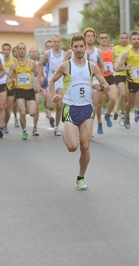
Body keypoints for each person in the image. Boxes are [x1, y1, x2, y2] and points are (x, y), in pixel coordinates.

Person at [49, 34, 110, 190]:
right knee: (72, 147)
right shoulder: (66, 66)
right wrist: (54, 95)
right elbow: (51, 81)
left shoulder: (92, 66)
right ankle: (67, 135)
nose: (78, 49)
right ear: (71, 48)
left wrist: (100, 87)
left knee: (85, 147)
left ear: (85, 47)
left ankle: (81, 178)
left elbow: (106, 86)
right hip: (70, 108)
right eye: (75, 46)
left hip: (87, 109)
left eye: (81, 46)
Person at [115, 31, 139, 134]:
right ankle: (126, 114)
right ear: (131, 41)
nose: (136, 41)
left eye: (138, 39)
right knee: (131, 103)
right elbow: (117, 68)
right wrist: (125, 67)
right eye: (134, 39)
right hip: (131, 81)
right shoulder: (127, 53)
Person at [6, 43, 41, 140]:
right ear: (17, 51)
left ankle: (26, 111)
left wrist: (37, 84)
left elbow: (39, 74)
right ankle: (24, 131)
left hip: (29, 90)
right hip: (19, 90)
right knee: (22, 112)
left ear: (25, 50)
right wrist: (9, 80)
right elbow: (10, 77)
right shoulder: (14, 64)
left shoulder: (31, 63)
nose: (21, 50)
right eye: (19, 49)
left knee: (32, 112)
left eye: (23, 49)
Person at [38, 35, 67, 136]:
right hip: (51, 83)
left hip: (61, 83)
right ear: (53, 42)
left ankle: (56, 127)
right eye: (55, 41)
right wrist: (41, 76)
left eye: (58, 41)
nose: (56, 43)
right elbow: (39, 64)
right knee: (51, 107)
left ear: (61, 42)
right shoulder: (48, 53)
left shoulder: (65, 54)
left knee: (59, 106)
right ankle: (47, 102)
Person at [83, 28, 107, 134]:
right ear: (85, 38)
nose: (90, 38)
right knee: (88, 105)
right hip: (85, 80)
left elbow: (101, 65)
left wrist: (106, 69)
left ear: (94, 38)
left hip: (96, 79)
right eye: (87, 36)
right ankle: (89, 129)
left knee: (96, 105)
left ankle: (99, 121)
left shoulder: (98, 51)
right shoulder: (81, 51)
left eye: (91, 36)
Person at [97, 31, 118, 129]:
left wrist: (114, 67)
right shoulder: (96, 51)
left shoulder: (111, 51)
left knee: (113, 98)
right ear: (98, 40)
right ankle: (99, 123)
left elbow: (112, 63)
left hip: (110, 77)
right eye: (101, 38)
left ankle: (107, 114)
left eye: (105, 38)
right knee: (99, 103)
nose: (104, 39)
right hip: (100, 78)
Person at [112, 32, 132, 126]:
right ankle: (123, 114)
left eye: (125, 38)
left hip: (130, 75)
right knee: (123, 94)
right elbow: (111, 62)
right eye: (122, 38)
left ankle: (124, 113)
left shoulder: (131, 48)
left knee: (129, 99)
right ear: (119, 39)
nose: (124, 39)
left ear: (128, 39)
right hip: (119, 74)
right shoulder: (114, 49)